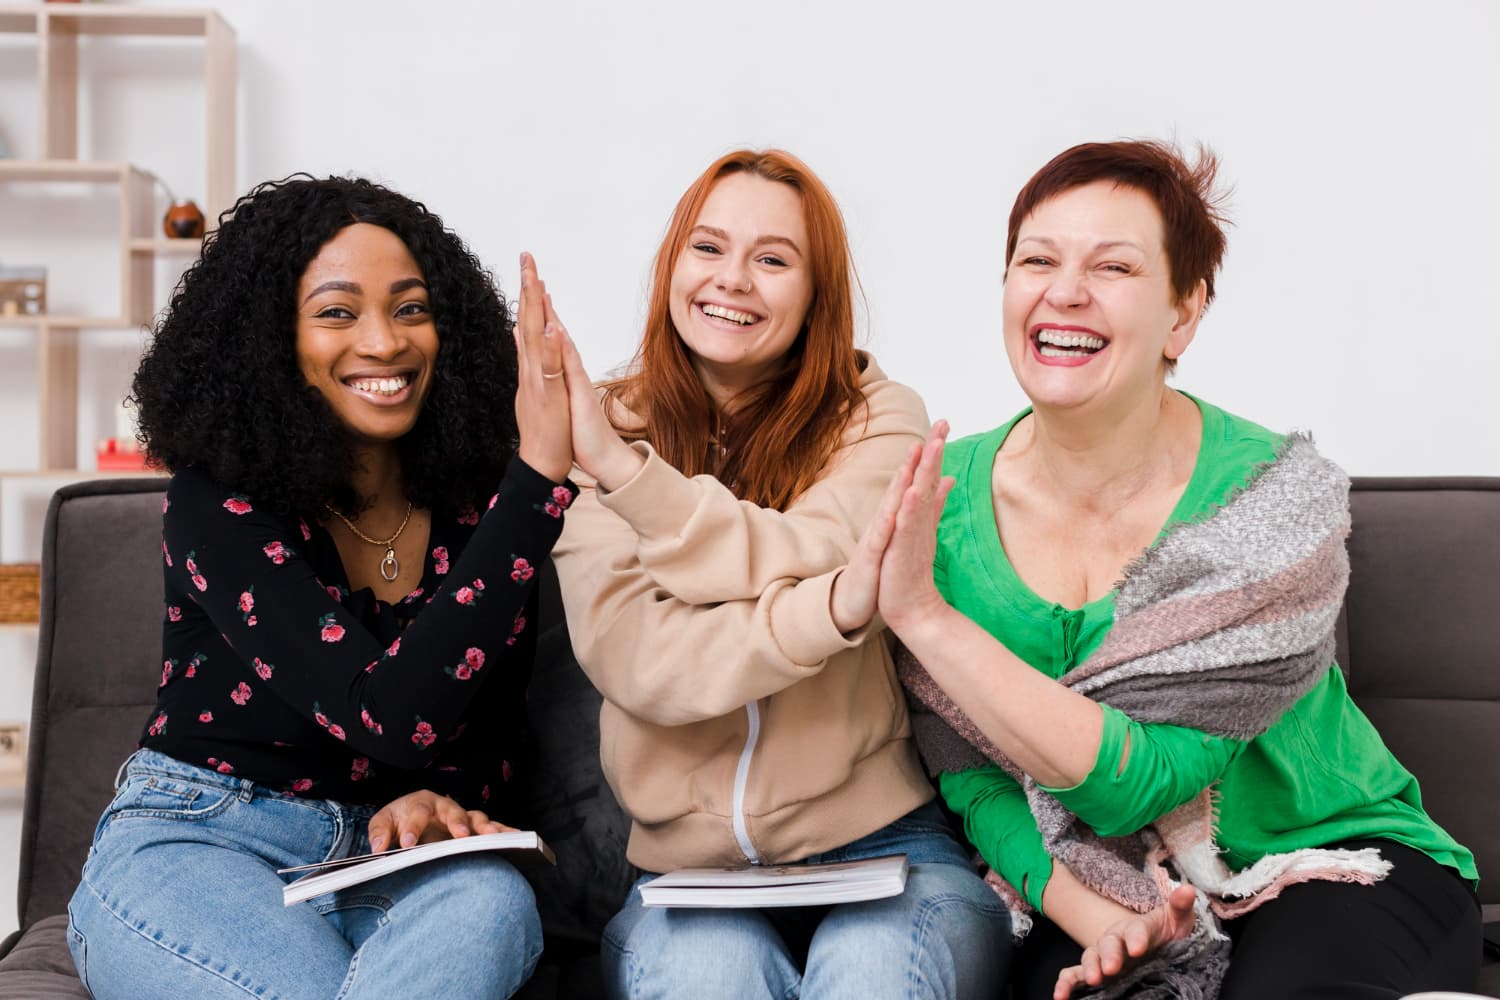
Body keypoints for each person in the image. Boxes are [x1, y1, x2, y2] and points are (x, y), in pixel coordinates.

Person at [845, 140, 1482, 999]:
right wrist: (1104, 921)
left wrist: (924, 617)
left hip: (1328, 858)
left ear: (1184, 313)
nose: (1064, 291)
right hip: (1097, 883)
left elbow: (1138, 783)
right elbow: (977, 782)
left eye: (1113, 266)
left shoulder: (1273, 500)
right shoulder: (940, 502)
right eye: (1037, 259)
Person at [66, 175, 575, 999]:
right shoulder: (215, 502)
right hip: (206, 840)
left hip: (395, 861)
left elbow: (492, 730)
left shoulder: (482, 505)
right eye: (337, 312)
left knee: (495, 904)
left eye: (411, 309)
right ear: (273, 341)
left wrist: (442, 798)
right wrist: (539, 479)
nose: (384, 342)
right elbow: (388, 714)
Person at [543, 149, 1012, 999]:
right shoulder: (598, 433)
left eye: (772, 259)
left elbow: (813, 551)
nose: (734, 281)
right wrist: (834, 609)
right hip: (690, 882)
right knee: (704, 976)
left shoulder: (880, 416)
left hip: (889, 848)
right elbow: (642, 662)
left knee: (871, 971)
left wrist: (633, 481)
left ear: (816, 292)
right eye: (709, 248)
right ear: (672, 266)